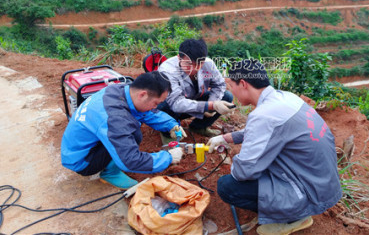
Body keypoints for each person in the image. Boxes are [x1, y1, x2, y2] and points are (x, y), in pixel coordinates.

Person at [207, 59, 342, 235]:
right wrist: (225, 138)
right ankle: (290, 208)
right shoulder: (285, 98)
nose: (231, 91)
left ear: (243, 83)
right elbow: (267, 130)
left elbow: (244, 172)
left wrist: (235, 161)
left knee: (227, 186)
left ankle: (292, 217)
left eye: (231, 86)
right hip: (322, 184)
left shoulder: (264, 115)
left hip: (308, 194)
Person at [61, 71, 186, 190]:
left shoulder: (120, 90)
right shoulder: (115, 117)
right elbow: (130, 161)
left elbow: (145, 112)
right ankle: (110, 173)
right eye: (156, 103)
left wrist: (170, 125)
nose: (156, 107)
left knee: (131, 129)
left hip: (78, 147)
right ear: (142, 94)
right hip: (82, 161)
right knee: (133, 134)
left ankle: (110, 165)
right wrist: (168, 157)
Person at [157, 38, 234, 138]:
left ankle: (199, 127)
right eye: (189, 64)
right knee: (163, 106)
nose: (194, 69)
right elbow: (176, 103)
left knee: (226, 96)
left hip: (193, 101)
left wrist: (213, 102)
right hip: (173, 106)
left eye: (199, 64)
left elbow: (219, 85)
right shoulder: (168, 70)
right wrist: (209, 106)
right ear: (179, 58)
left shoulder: (208, 64)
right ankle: (168, 133)